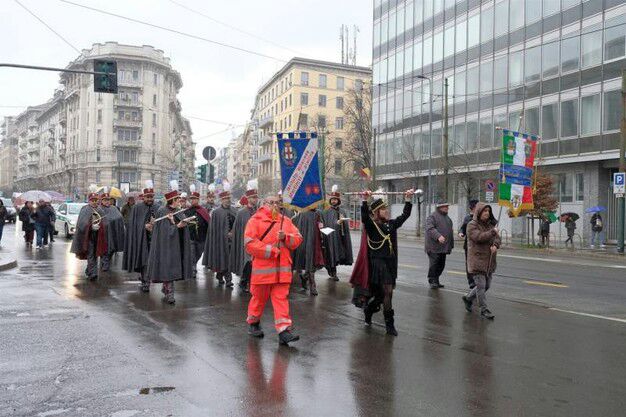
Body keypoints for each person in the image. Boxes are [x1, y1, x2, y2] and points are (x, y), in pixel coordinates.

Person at [352, 189, 413, 336]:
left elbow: (405, 215)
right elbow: (365, 218)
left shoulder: (391, 225)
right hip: (377, 263)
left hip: (389, 263)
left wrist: (408, 199)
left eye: (386, 208)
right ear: (376, 212)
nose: (386, 211)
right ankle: (389, 325)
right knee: (388, 292)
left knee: (381, 297)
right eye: (383, 209)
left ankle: (369, 310)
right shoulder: (372, 226)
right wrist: (365, 200)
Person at [244, 192, 303, 345]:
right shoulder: (255, 221)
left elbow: (298, 239)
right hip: (262, 270)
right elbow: (249, 244)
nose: (275, 205)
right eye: (272, 202)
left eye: (278, 202)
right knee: (258, 299)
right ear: (264, 203)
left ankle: (284, 330)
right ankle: (253, 322)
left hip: (282, 270)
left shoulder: (286, 221)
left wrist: (286, 238)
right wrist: (271, 251)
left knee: (281, 299)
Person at [145, 185, 194, 304]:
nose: (180, 202)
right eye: (178, 200)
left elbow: (182, 225)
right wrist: (176, 225)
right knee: (168, 269)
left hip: (177, 246)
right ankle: (170, 294)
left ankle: (165, 288)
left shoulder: (178, 211)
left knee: (172, 270)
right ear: (172, 200)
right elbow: (163, 231)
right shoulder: (162, 211)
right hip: (166, 247)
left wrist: (184, 223)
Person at [462, 203, 501, 320]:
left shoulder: (490, 225)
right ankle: (484, 309)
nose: (487, 213)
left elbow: (498, 238)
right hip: (477, 260)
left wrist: (496, 245)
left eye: (488, 211)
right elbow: (478, 237)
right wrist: (493, 232)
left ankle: (468, 298)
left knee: (487, 285)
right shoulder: (471, 225)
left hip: (489, 261)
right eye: (484, 211)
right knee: (481, 286)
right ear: (478, 212)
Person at [123, 181, 160, 292]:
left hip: (154, 240)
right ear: (143, 197)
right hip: (141, 240)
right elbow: (132, 225)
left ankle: (147, 280)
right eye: (147, 197)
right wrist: (144, 226)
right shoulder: (137, 208)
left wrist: (154, 226)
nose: (149, 199)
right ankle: (145, 282)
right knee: (144, 261)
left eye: (151, 197)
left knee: (151, 262)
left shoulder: (158, 207)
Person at [203, 188, 237, 287]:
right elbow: (213, 230)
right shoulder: (216, 212)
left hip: (232, 241)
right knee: (222, 259)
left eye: (228, 198)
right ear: (222, 200)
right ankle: (220, 275)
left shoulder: (234, 210)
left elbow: (237, 224)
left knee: (229, 260)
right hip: (220, 241)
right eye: (225, 198)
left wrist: (233, 232)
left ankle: (228, 279)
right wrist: (223, 235)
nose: (227, 200)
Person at [70, 191, 107, 280]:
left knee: (96, 254)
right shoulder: (85, 209)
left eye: (96, 200)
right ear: (89, 201)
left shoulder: (100, 210)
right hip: (88, 237)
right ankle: (93, 273)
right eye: (92, 200)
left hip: (98, 237)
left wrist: (100, 227)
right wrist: (90, 226)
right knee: (91, 254)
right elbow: (81, 224)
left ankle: (89, 270)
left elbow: (105, 223)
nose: (94, 202)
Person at [229, 182, 258, 292]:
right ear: (248, 198)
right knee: (247, 262)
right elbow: (237, 229)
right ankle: (244, 280)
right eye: (253, 197)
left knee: (253, 263)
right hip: (244, 242)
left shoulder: (258, 212)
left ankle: (247, 282)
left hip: (255, 242)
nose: (255, 199)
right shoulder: (241, 213)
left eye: (256, 197)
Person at [321, 186, 353, 281]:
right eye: (332, 199)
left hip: (340, 237)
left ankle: (332, 271)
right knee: (331, 254)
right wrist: (336, 223)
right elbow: (327, 225)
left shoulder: (342, 211)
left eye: (335, 199)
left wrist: (343, 222)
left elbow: (345, 224)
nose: (334, 201)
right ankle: (332, 272)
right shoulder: (326, 211)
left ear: (338, 201)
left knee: (338, 254)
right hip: (330, 238)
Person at [292, 207, 325, 296]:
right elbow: (299, 229)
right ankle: (312, 286)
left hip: (316, 242)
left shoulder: (318, 213)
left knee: (315, 262)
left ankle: (304, 277)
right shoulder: (303, 213)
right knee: (310, 263)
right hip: (307, 242)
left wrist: (322, 230)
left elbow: (321, 225)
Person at [425, 202, 454, 289]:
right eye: (445, 206)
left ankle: (436, 280)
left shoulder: (447, 218)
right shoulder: (432, 216)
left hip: (444, 247)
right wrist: (438, 236)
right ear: (440, 207)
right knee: (434, 264)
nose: (447, 208)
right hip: (434, 247)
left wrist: (451, 244)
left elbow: (450, 232)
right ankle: (432, 280)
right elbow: (430, 228)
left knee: (441, 265)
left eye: (447, 206)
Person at [184, 186, 210, 278]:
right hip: (190, 237)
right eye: (191, 199)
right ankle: (193, 269)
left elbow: (208, 223)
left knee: (198, 253)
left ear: (198, 200)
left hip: (201, 238)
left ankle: (193, 265)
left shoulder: (203, 211)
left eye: (194, 199)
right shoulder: (186, 211)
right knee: (192, 254)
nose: (192, 201)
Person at [99, 192, 126, 272]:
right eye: (105, 200)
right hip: (103, 234)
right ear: (102, 201)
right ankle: (104, 263)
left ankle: (105, 262)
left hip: (113, 232)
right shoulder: (99, 209)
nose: (107, 202)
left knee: (111, 249)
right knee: (104, 249)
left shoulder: (113, 208)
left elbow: (119, 217)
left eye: (108, 200)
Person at [459, 199, 479, 289]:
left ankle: (479, 280)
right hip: (469, 245)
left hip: (480, 245)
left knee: (479, 263)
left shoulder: (482, 218)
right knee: (469, 264)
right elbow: (462, 228)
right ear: (472, 208)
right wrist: (461, 233)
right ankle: (471, 282)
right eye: (477, 207)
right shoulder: (467, 218)